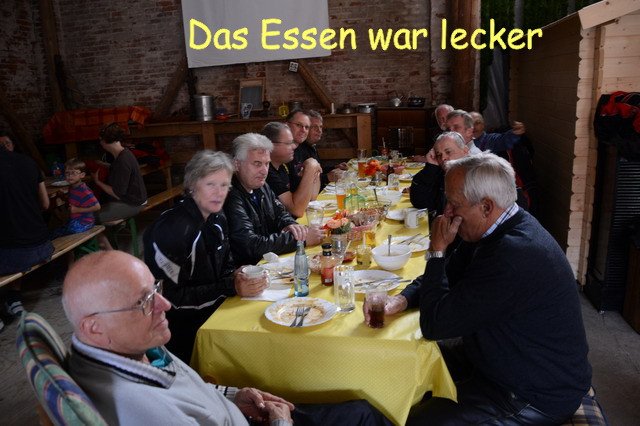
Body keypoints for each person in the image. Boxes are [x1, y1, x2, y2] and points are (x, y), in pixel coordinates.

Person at [370, 153, 592, 424]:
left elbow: (435, 324)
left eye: (454, 204)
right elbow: (450, 272)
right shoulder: (494, 228)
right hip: (498, 359)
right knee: (403, 361)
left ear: (486, 206)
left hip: (532, 392)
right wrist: (403, 299)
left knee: (413, 420)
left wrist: (436, 251)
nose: (446, 213)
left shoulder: (513, 255)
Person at [63, 250, 392, 426]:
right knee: (363, 416)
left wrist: (232, 395)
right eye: (144, 301)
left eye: (156, 289)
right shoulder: (140, 409)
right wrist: (280, 423)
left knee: (360, 410)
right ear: (95, 327)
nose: (165, 305)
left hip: (237, 412)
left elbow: (186, 391)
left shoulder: (133, 350)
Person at [143, 150, 268, 362]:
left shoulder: (217, 217)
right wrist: (231, 286)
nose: (219, 193)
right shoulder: (172, 230)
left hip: (215, 311)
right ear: (192, 185)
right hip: (182, 335)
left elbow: (225, 266)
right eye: (211, 184)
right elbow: (170, 300)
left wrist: (237, 275)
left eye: (224, 185)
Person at [224, 133, 324, 267]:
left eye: (266, 164)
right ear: (236, 164)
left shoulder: (261, 185)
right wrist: (300, 240)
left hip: (267, 262)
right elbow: (250, 245)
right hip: (249, 270)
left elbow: (280, 213)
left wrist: (290, 224)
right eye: (257, 164)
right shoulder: (229, 195)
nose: (264, 171)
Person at [0, 130, 53, 332]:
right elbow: (45, 204)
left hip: (16, 255)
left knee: (11, 240)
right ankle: (13, 299)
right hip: (42, 247)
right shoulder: (29, 163)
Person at [91, 122, 147, 248]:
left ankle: (109, 249)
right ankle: (107, 245)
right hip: (134, 200)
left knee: (89, 217)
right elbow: (118, 169)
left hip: (133, 204)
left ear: (105, 141)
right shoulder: (123, 154)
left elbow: (117, 193)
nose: (100, 143)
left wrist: (98, 182)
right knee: (97, 211)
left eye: (100, 140)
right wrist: (104, 165)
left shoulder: (123, 160)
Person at [262, 122, 321, 218]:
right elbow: (297, 210)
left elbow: (312, 197)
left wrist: (312, 169)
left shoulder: (283, 166)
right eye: (288, 143)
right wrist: (310, 168)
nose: (294, 146)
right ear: (270, 145)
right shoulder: (267, 172)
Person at [409, 132, 469, 214]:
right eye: (438, 155)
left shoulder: (476, 176)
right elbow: (419, 202)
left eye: (448, 152)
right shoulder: (440, 173)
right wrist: (430, 168)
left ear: (465, 151)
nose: (443, 158)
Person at [51, 158, 100, 238]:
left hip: (84, 222)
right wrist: (62, 196)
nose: (70, 176)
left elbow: (97, 207)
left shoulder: (84, 190)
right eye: (67, 173)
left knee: (58, 234)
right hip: (75, 220)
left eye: (73, 173)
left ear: (82, 175)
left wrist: (77, 210)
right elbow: (73, 202)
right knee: (55, 232)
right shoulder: (72, 187)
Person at [306, 110, 348, 183]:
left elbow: (319, 171)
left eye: (320, 127)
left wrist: (335, 167)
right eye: (314, 127)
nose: (319, 130)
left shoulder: (312, 146)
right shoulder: (299, 150)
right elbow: (303, 181)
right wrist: (326, 178)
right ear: (305, 128)